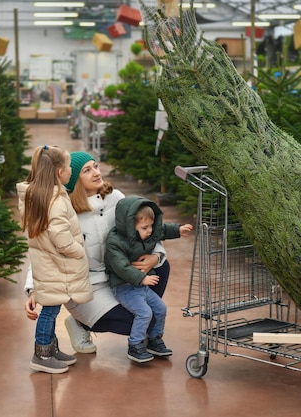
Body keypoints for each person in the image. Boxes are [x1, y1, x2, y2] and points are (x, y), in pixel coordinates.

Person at [24, 151, 170, 354]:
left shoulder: (116, 198)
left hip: (121, 276)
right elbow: (43, 252)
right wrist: (33, 290)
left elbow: (147, 228)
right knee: (142, 320)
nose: (96, 172)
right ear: (73, 179)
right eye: (87, 170)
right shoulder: (63, 211)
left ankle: (143, 320)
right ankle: (80, 324)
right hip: (88, 287)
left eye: (95, 166)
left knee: (161, 267)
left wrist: (155, 257)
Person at [16, 145, 92, 374]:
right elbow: (60, 235)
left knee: (52, 307)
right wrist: (78, 250)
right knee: (50, 310)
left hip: (46, 262)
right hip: (58, 263)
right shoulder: (56, 198)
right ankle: (42, 354)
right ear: (60, 172)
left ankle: (51, 348)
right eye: (69, 167)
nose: (71, 171)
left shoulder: (36, 195)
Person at [105, 195, 193, 363]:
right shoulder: (115, 242)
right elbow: (120, 267)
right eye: (145, 227)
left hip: (141, 286)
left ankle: (154, 339)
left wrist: (178, 230)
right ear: (130, 226)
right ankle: (135, 345)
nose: (150, 231)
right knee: (144, 313)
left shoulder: (147, 234)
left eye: (150, 226)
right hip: (124, 287)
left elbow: (162, 231)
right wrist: (141, 278)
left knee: (160, 308)